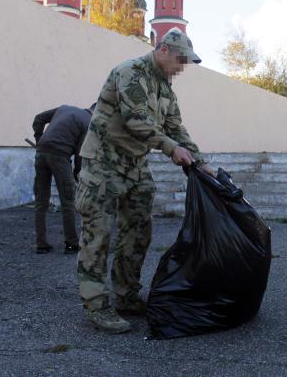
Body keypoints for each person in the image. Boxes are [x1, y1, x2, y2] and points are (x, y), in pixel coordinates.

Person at [76, 28, 213, 334]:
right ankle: (96, 305)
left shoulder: (165, 88)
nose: (182, 67)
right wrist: (171, 148)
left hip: (135, 165)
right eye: (180, 60)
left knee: (138, 230)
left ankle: (126, 295)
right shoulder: (131, 72)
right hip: (103, 165)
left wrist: (200, 161)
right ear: (163, 50)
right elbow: (135, 119)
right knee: (97, 234)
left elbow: (176, 127)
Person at [31, 104, 93, 254]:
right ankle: (71, 244)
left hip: (41, 154)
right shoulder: (89, 123)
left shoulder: (63, 108)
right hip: (60, 157)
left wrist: (39, 140)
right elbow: (80, 153)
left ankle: (41, 244)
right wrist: (77, 172)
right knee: (68, 202)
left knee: (41, 202)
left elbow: (38, 118)